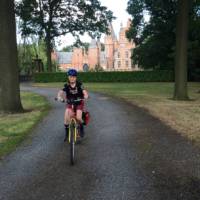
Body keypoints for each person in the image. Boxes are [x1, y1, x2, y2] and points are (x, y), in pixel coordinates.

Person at [57, 69, 89, 141]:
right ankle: (67, 134)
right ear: (68, 77)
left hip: (79, 102)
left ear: (76, 77)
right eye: (70, 77)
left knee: (78, 117)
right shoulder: (66, 85)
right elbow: (60, 92)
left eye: (73, 77)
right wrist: (59, 97)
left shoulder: (79, 84)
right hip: (69, 102)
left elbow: (85, 92)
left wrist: (86, 96)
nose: (72, 78)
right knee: (66, 119)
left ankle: (81, 127)